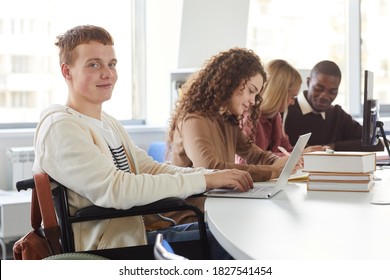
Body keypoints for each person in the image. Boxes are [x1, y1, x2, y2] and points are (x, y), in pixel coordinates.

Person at [32, 25, 253, 259]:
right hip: (111, 250)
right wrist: (204, 180)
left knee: (238, 232)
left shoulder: (107, 122)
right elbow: (116, 190)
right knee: (236, 247)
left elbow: (151, 169)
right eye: (94, 64)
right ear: (67, 71)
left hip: (136, 235)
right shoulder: (61, 127)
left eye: (112, 64)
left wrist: (211, 177)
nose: (107, 73)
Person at [167, 48, 291, 182]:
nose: (253, 101)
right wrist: (271, 171)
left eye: (256, 95)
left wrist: (282, 163)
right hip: (194, 201)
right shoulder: (193, 119)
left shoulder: (227, 119)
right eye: (250, 91)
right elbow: (210, 168)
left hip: (218, 199)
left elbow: (255, 155)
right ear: (230, 82)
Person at [283, 60, 383, 151]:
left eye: (332, 92)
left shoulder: (337, 114)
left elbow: (376, 143)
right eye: (318, 88)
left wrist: (333, 147)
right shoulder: (285, 110)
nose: (324, 96)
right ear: (309, 82)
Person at [242, 59, 326, 158]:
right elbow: (251, 160)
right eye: (292, 97)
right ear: (279, 94)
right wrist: (297, 155)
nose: (293, 102)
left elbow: (286, 149)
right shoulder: (249, 119)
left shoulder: (276, 117)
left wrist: (304, 153)